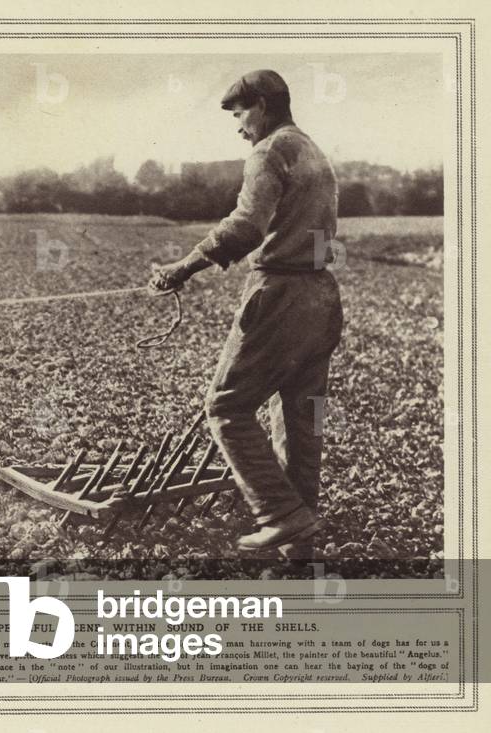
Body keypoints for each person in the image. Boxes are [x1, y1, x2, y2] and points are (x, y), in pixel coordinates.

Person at [150, 69, 344, 552]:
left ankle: (280, 513)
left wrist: (184, 267)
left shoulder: (269, 151)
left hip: (279, 297)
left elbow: (245, 225)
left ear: (261, 104)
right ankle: (298, 546)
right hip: (321, 297)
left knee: (227, 408)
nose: (239, 127)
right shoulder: (313, 151)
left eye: (239, 114)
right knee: (302, 420)